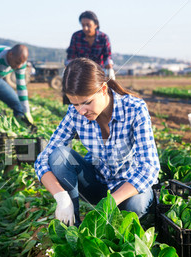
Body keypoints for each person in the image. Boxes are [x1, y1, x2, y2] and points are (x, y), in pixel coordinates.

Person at [34, 58, 160, 227]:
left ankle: (122, 224)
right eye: (75, 104)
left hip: (128, 186)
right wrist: (61, 197)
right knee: (59, 156)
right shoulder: (75, 112)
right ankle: (73, 227)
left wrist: (110, 202)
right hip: (98, 184)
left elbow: (149, 167)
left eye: (87, 102)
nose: (81, 110)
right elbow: (44, 158)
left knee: (135, 207)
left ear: (103, 89)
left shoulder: (134, 108)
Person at [66, 11, 115, 80]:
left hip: (98, 73)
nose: (85, 28)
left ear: (96, 25)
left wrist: (110, 69)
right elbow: (71, 56)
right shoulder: (76, 36)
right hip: (80, 73)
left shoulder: (103, 37)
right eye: (83, 25)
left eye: (88, 25)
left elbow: (107, 56)